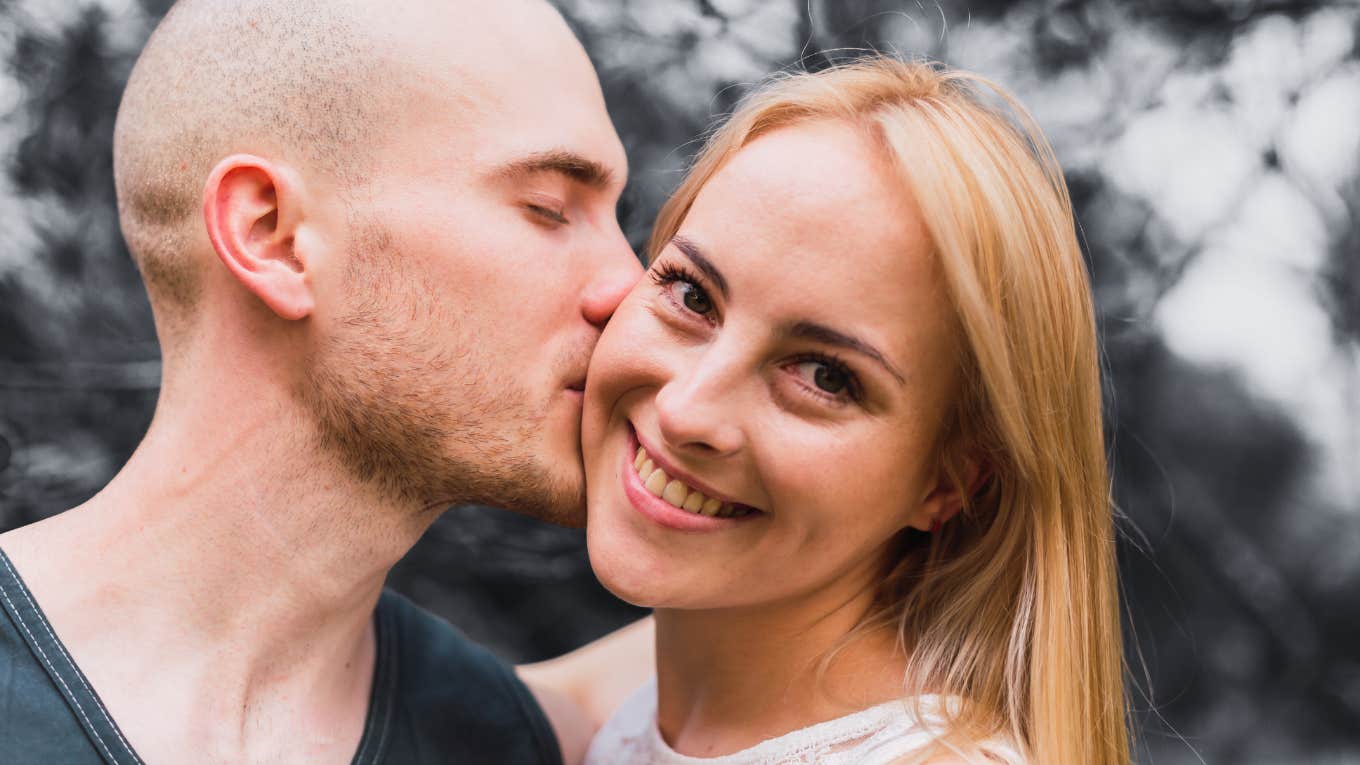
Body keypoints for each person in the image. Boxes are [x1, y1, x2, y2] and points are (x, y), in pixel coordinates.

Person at [0, 0, 638, 762]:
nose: (628, 291)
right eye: (550, 208)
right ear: (272, 235)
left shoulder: (522, 737)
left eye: (618, 220)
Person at [527, 57, 1131, 764]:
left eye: (823, 375)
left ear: (948, 482)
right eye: (692, 295)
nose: (688, 409)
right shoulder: (679, 673)